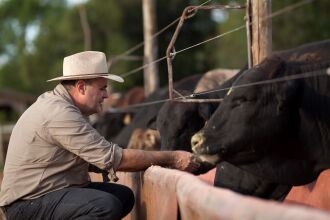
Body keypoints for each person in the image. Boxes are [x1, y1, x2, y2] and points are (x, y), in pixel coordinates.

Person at [0, 51, 200, 220]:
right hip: (26, 205)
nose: (107, 95)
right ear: (80, 87)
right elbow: (113, 158)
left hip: (45, 195)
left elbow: (95, 155)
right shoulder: (60, 113)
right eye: (102, 88)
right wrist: (172, 157)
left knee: (124, 196)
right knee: (105, 205)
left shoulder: (64, 107)